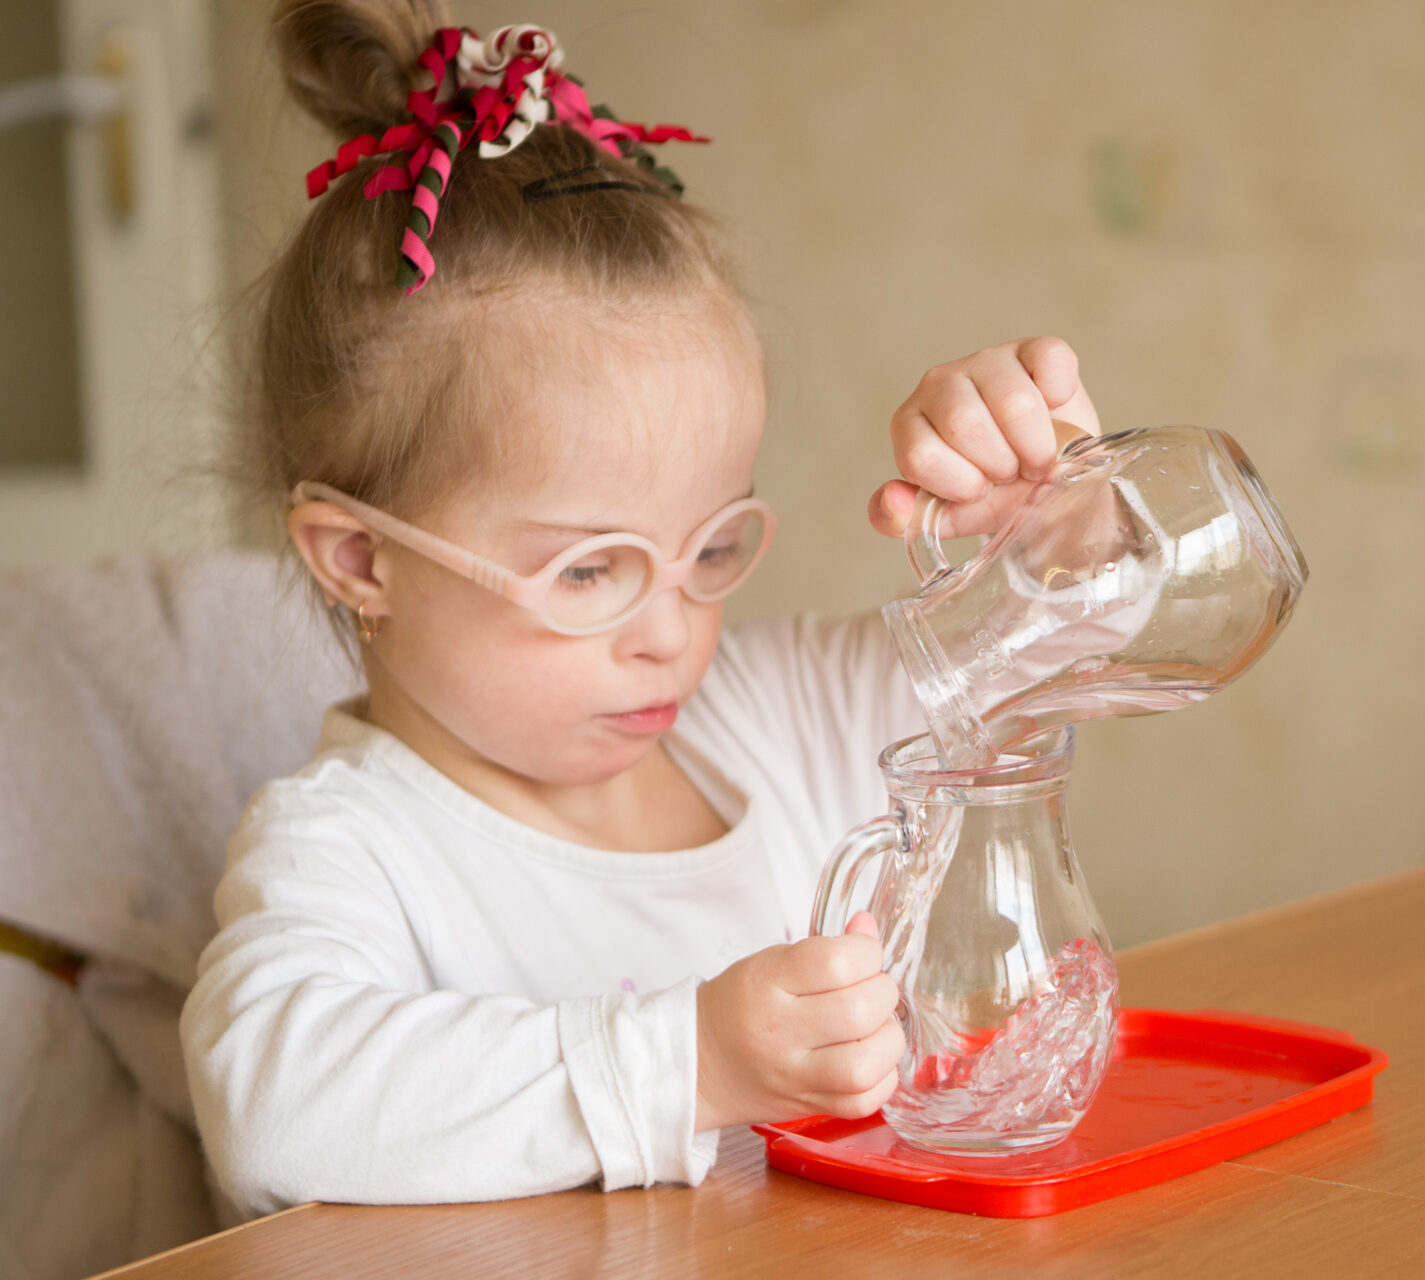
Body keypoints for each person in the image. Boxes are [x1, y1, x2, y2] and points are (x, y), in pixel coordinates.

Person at [181, 0, 1100, 1219]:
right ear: (360, 559)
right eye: (589, 570)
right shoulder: (352, 845)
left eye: (712, 544)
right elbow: (271, 1108)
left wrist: (1059, 513)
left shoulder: (774, 718)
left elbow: (1063, 645)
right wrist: (694, 1059)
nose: (672, 631)